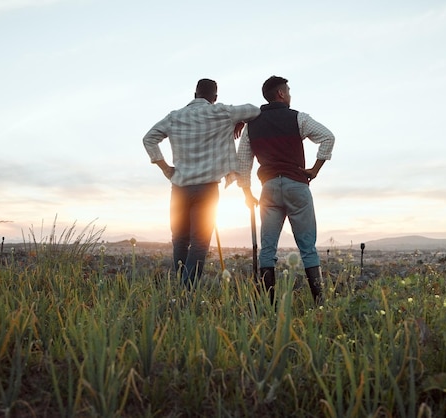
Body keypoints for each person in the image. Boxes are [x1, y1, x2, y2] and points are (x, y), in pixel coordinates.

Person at [143, 78, 260, 288]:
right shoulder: (221, 112)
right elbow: (254, 110)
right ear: (214, 98)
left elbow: (149, 138)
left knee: (179, 239)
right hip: (207, 188)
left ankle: (179, 288)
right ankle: (188, 290)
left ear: (195, 95)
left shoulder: (174, 117)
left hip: (179, 187)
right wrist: (239, 121)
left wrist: (166, 168)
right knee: (199, 242)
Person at [236, 76, 335, 304]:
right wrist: (315, 169)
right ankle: (320, 303)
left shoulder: (252, 125)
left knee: (267, 249)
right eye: (288, 91)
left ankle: (268, 305)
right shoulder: (298, 118)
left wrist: (246, 193)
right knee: (307, 247)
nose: (290, 95)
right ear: (281, 94)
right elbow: (328, 137)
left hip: (268, 188)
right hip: (296, 185)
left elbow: (243, 162)